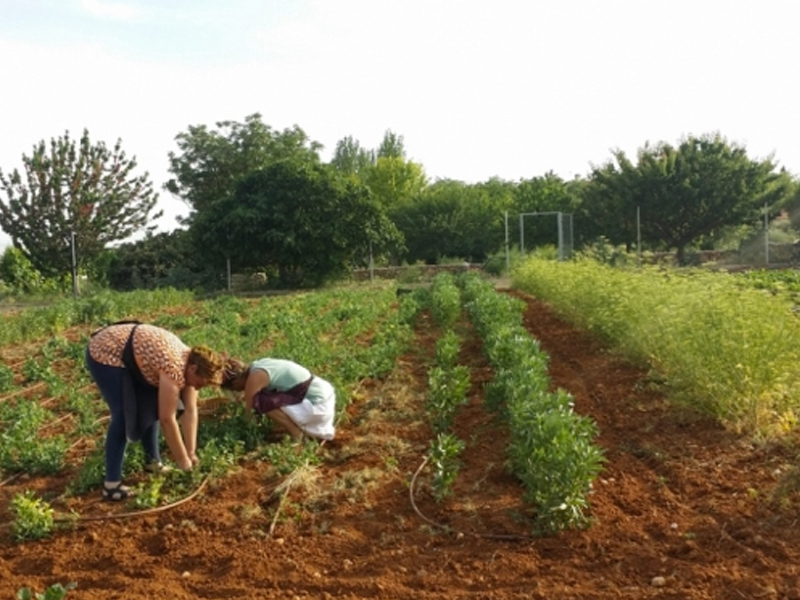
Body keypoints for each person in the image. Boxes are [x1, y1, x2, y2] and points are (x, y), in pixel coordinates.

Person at [85, 321, 226, 501]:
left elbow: (190, 411)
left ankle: (153, 463)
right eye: (200, 383)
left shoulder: (192, 364)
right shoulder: (174, 368)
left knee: (151, 407)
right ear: (193, 369)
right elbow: (167, 419)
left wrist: (190, 452)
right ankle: (111, 486)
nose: (198, 388)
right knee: (123, 416)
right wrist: (183, 463)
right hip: (107, 351)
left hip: (138, 356)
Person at [221, 357, 336, 441]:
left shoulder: (255, 378)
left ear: (236, 381)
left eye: (234, 388)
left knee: (261, 401)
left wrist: (242, 432)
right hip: (325, 393)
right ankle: (289, 427)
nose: (237, 391)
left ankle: (297, 435)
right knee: (264, 397)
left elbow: (249, 413)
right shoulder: (258, 366)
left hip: (318, 405)